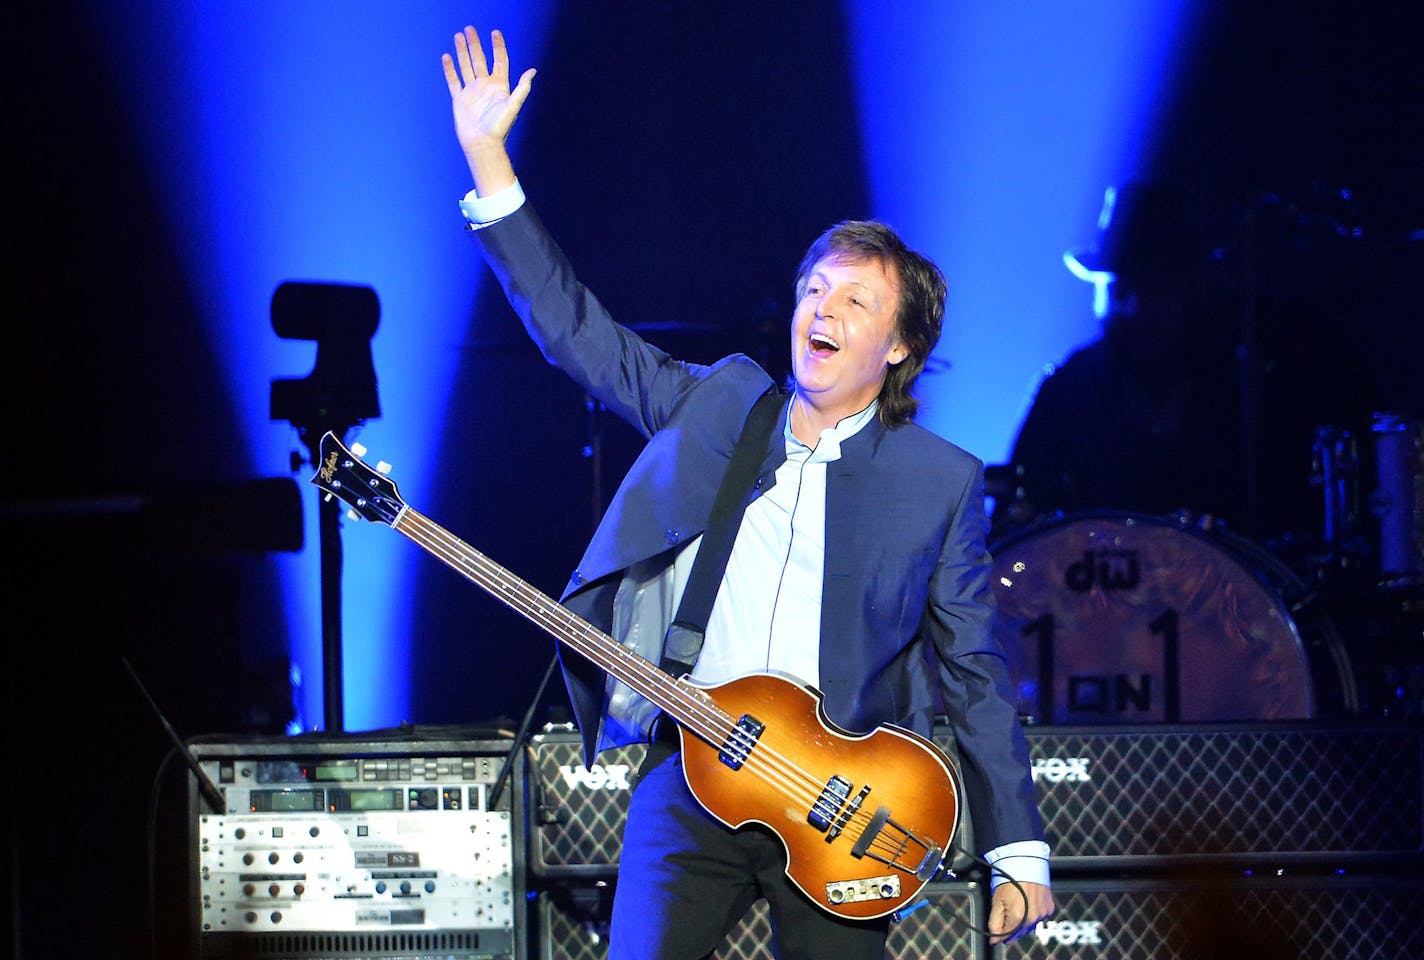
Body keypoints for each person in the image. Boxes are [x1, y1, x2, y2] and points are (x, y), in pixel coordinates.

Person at [441, 26, 1053, 958]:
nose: (823, 310)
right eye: (815, 290)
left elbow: (973, 668)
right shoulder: (722, 403)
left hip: (843, 803)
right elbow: (583, 337)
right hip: (694, 775)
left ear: (898, 348)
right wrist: (490, 161)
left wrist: (1018, 847)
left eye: (854, 301)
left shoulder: (938, 481)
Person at [999, 181, 1380, 544]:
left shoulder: (1253, 381)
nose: (1135, 308)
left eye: (1156, 287)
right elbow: (1017, 520)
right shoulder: (1067, 392)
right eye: (1120, 289)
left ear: (1193, 286)